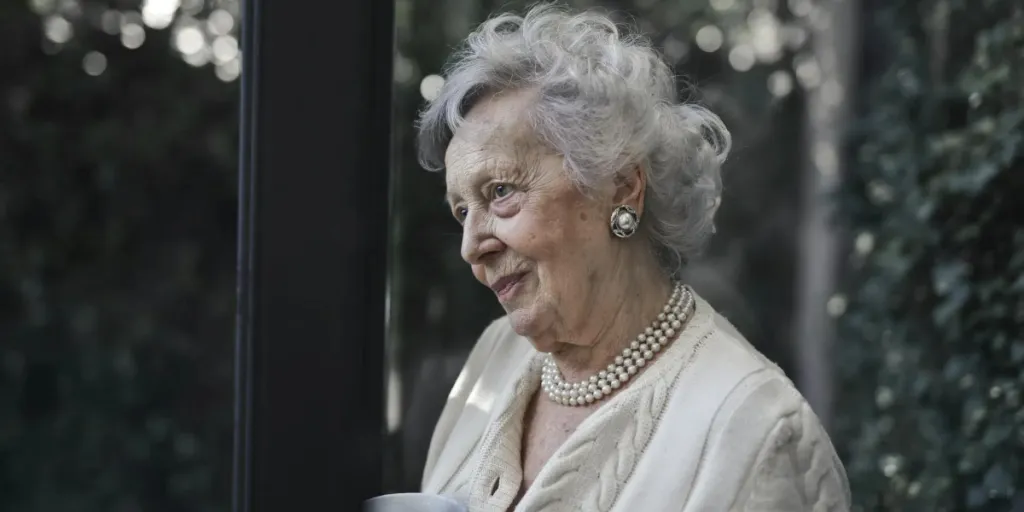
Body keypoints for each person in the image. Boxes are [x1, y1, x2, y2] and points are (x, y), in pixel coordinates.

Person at [415, 5, 851, 511]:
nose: (472, 246)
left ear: (621, 188)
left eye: (502, 191)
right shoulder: (496, 358)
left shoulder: (758, 432)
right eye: (462, 210)